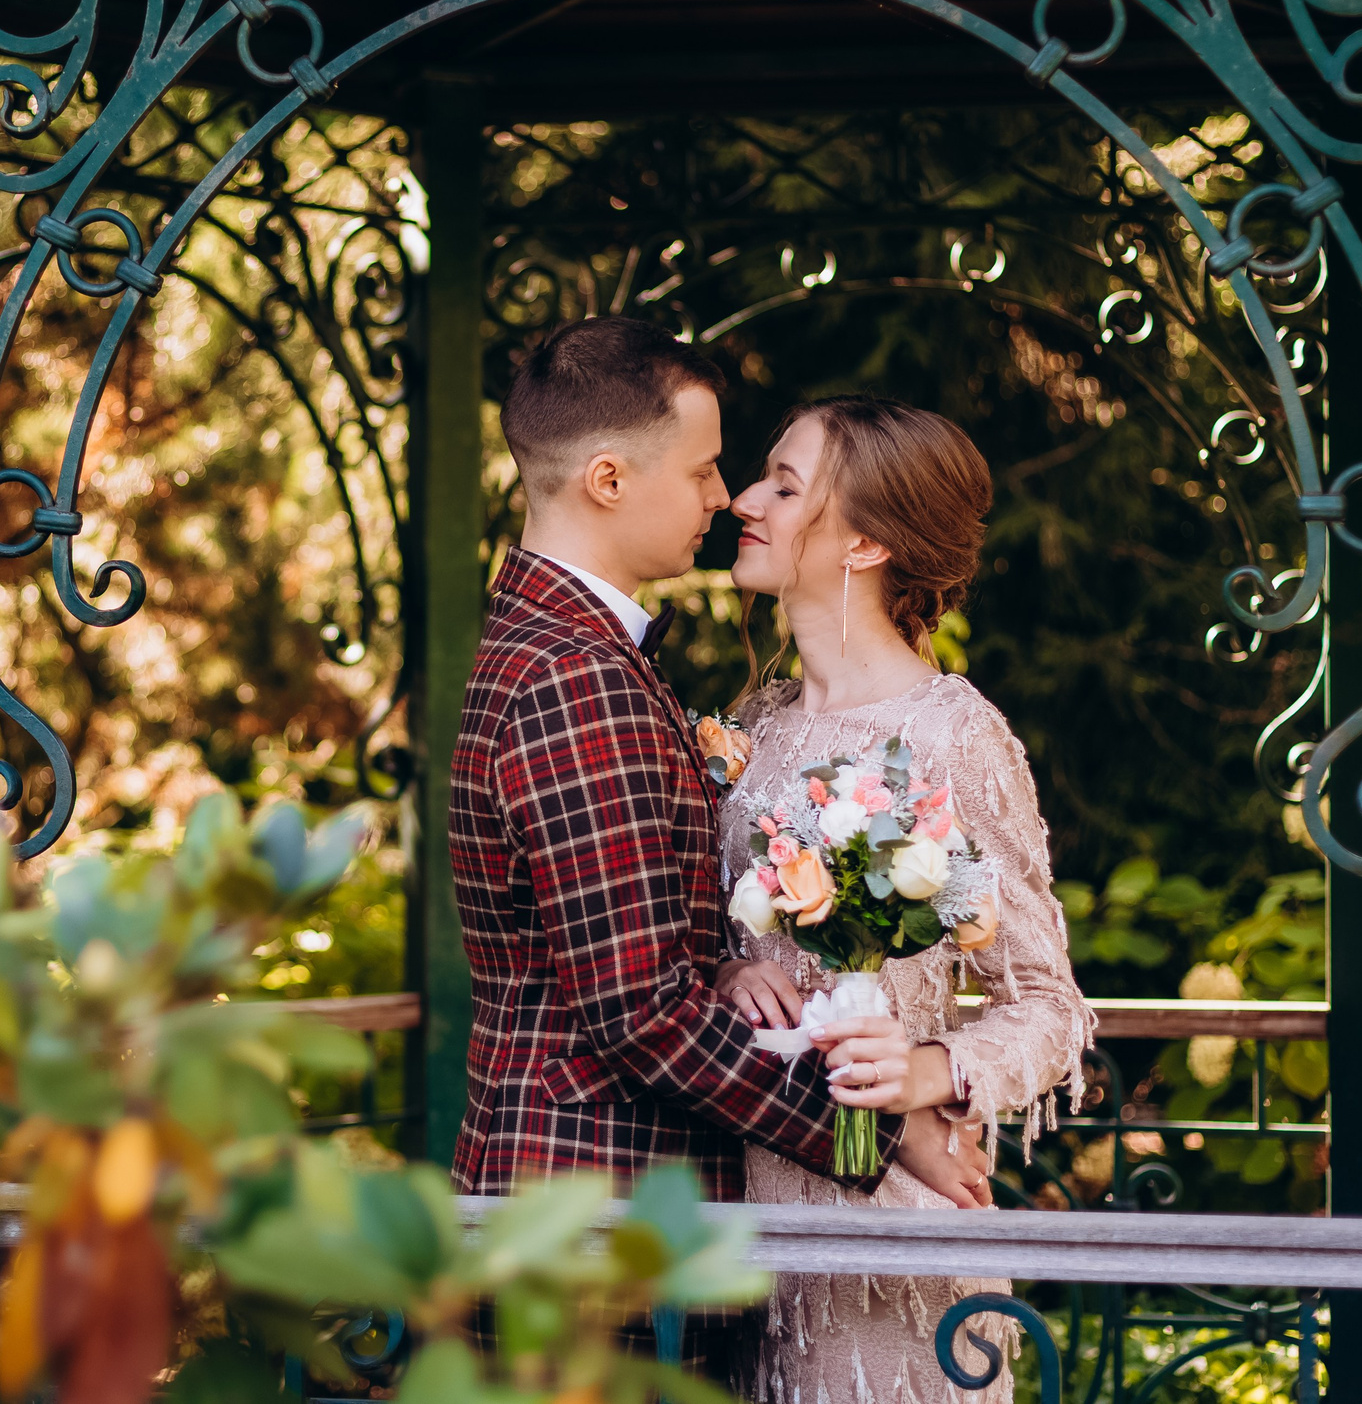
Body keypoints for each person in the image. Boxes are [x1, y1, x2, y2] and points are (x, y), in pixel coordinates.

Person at [448, 322, 980, 1364]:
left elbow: (621, 941)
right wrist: (877, 1129)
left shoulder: (569, 651)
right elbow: (638, 1012)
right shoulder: (573, 678)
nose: (721, 496)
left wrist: (726, 964)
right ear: (608, 479)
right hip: (594, 1222)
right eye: (700, 468)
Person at [712, 395, 1095, 1404]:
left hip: (893, 1245)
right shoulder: (755, 727)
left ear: (866, 544)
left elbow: (1048, 1007)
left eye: (784, 486)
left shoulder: (952, 735)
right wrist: (727, 967)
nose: (744, 499)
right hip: (738, 1243)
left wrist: (926, 1070)